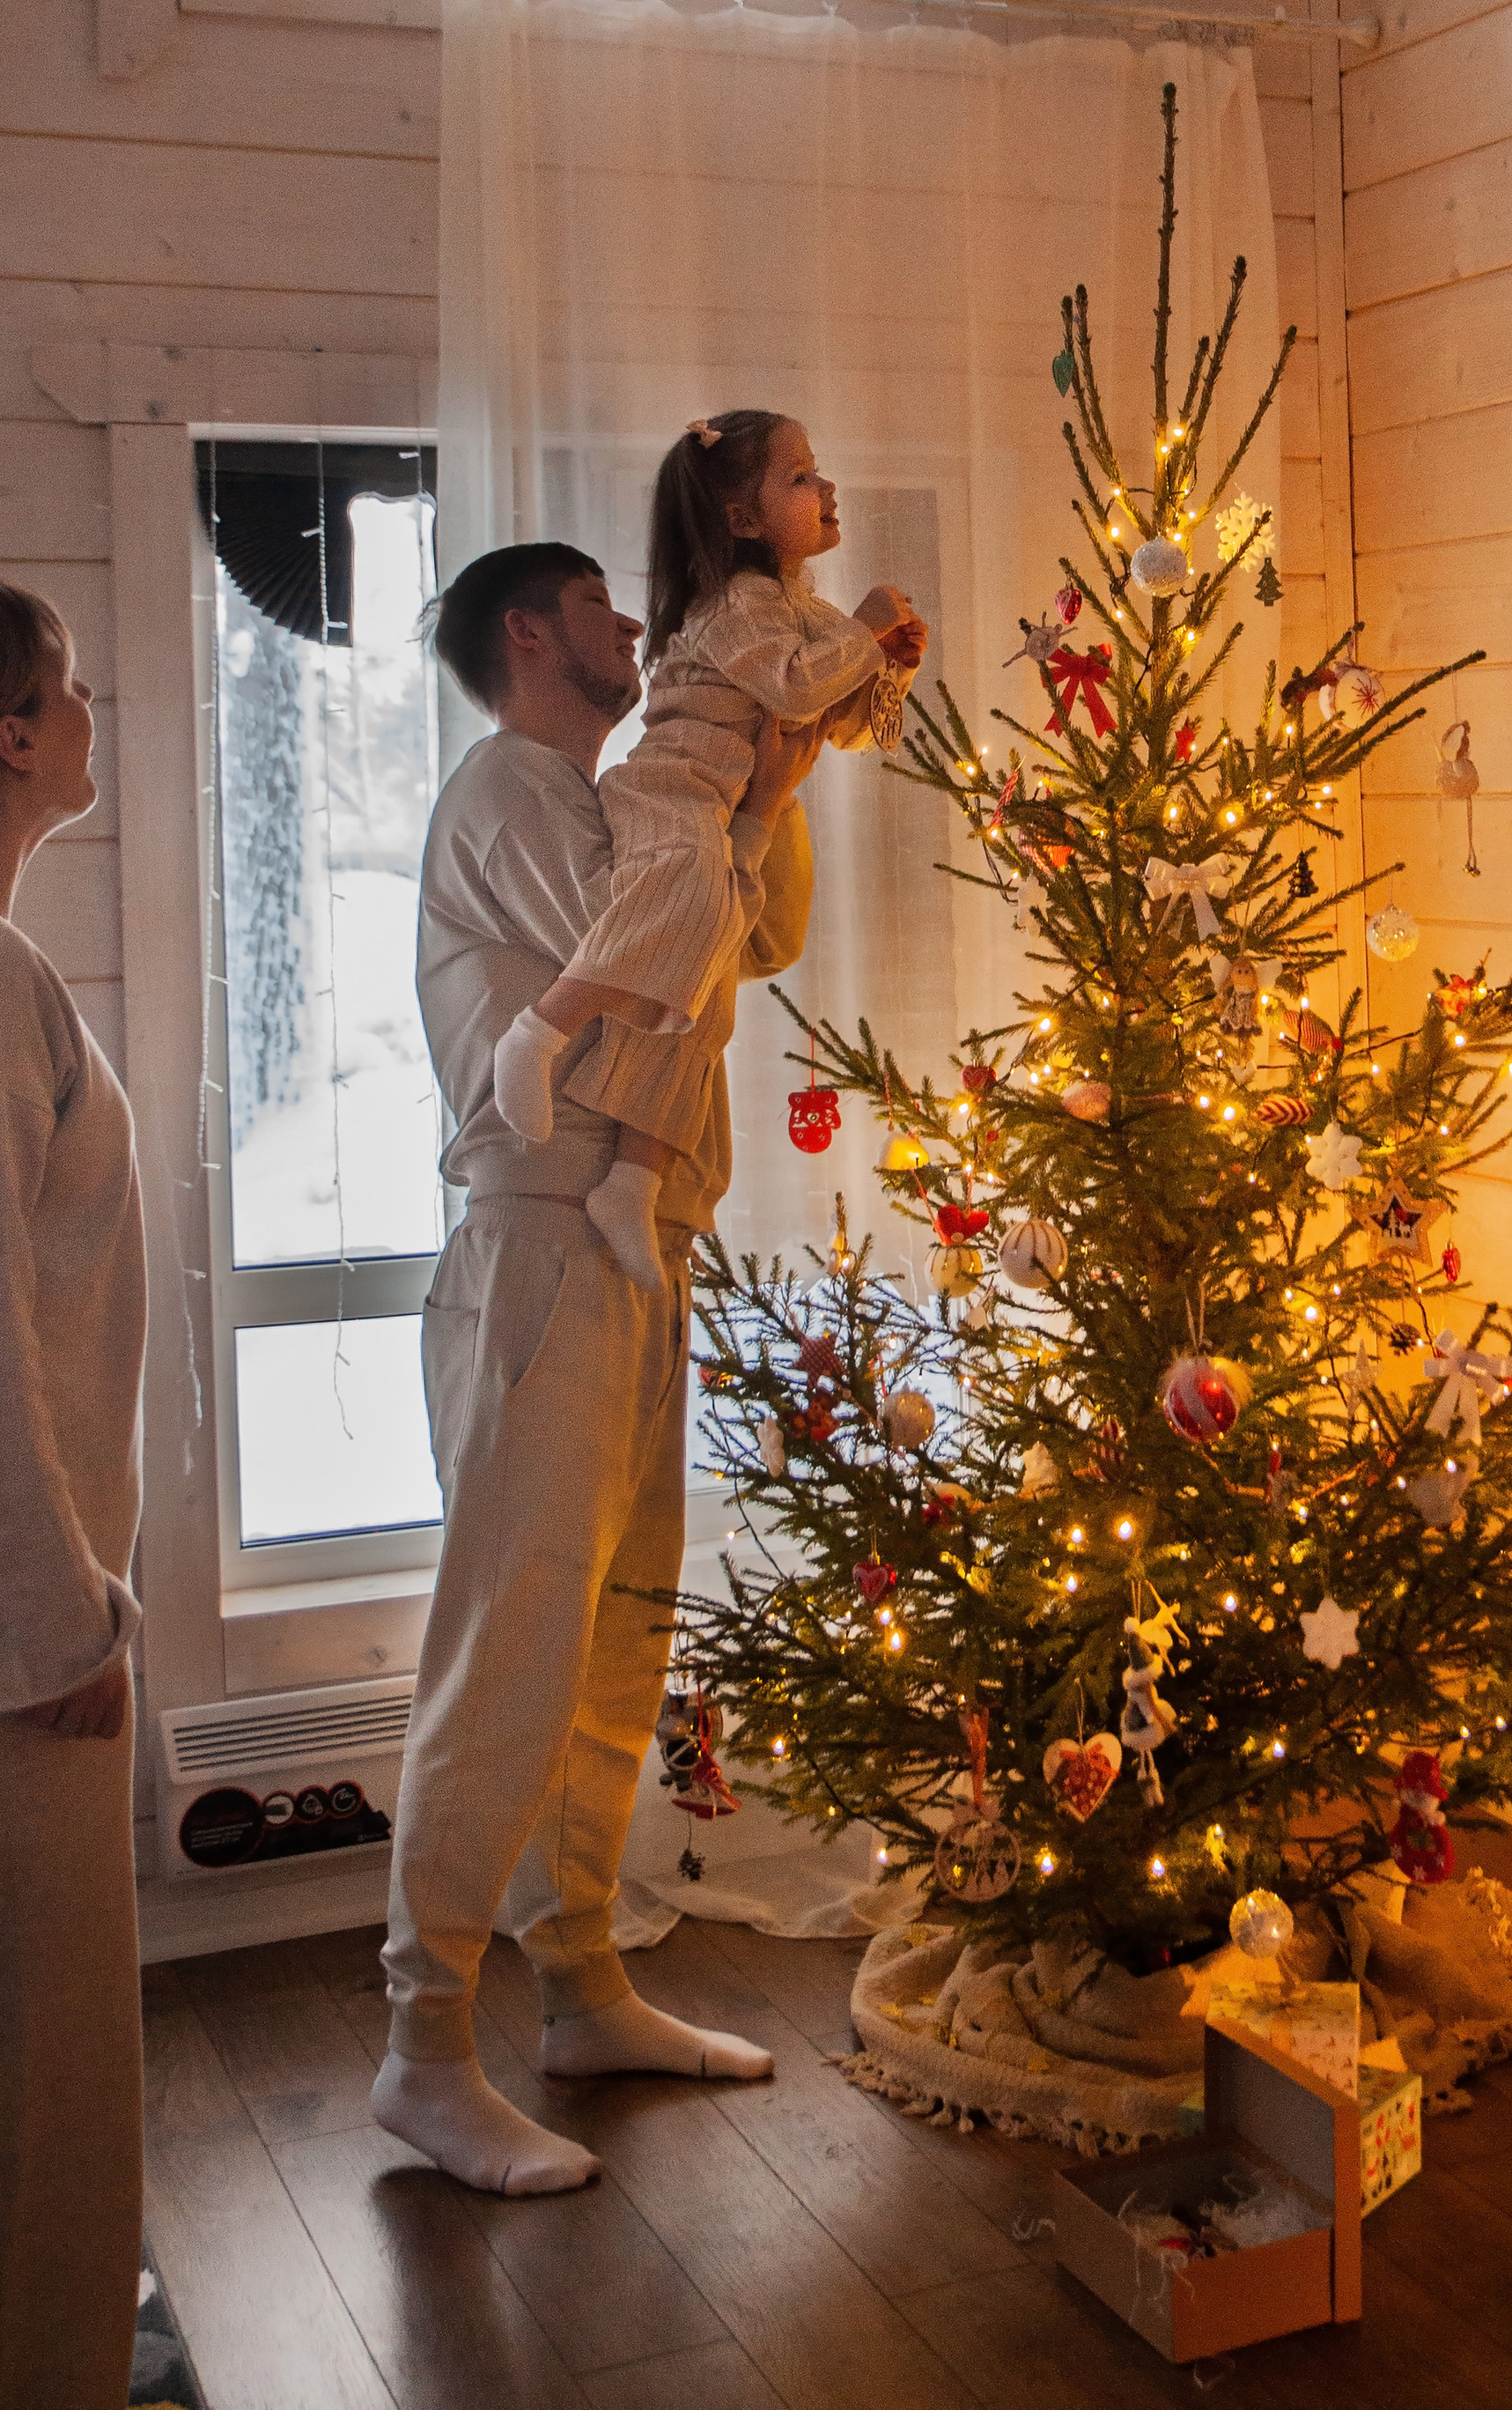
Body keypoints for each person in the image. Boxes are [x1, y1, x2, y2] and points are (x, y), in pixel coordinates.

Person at [372, 540, 826, 2195]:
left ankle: (581, 1985)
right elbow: (667, 940)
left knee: (618, 1634)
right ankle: (423, 2046)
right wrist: (755, 769)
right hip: (542, 1256)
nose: (634, 630)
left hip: (637, 1248)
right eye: (602, 610)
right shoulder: (509, 787)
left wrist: (774, 777)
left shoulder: (627, 803)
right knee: (507, 1648)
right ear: (529, 631)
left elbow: (753, 932)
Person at [491, 415, 926, 1290]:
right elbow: (794, 685)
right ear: (739, 521)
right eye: (801, 477)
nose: (827, 488)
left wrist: (889, 669)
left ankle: (633, 1177)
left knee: (699, 1006)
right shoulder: (736, 607)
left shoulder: (800, 610)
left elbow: (842, 729)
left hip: (727, 812)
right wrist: (864, 628)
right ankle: (537, 1034)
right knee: (691, 900)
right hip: (673, 794)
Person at [0, 586, 149, 2406]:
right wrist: (55, 1627)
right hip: (20, 1650)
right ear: (11, 736)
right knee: (49, 2090)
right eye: (67, 690)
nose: (89, 707)